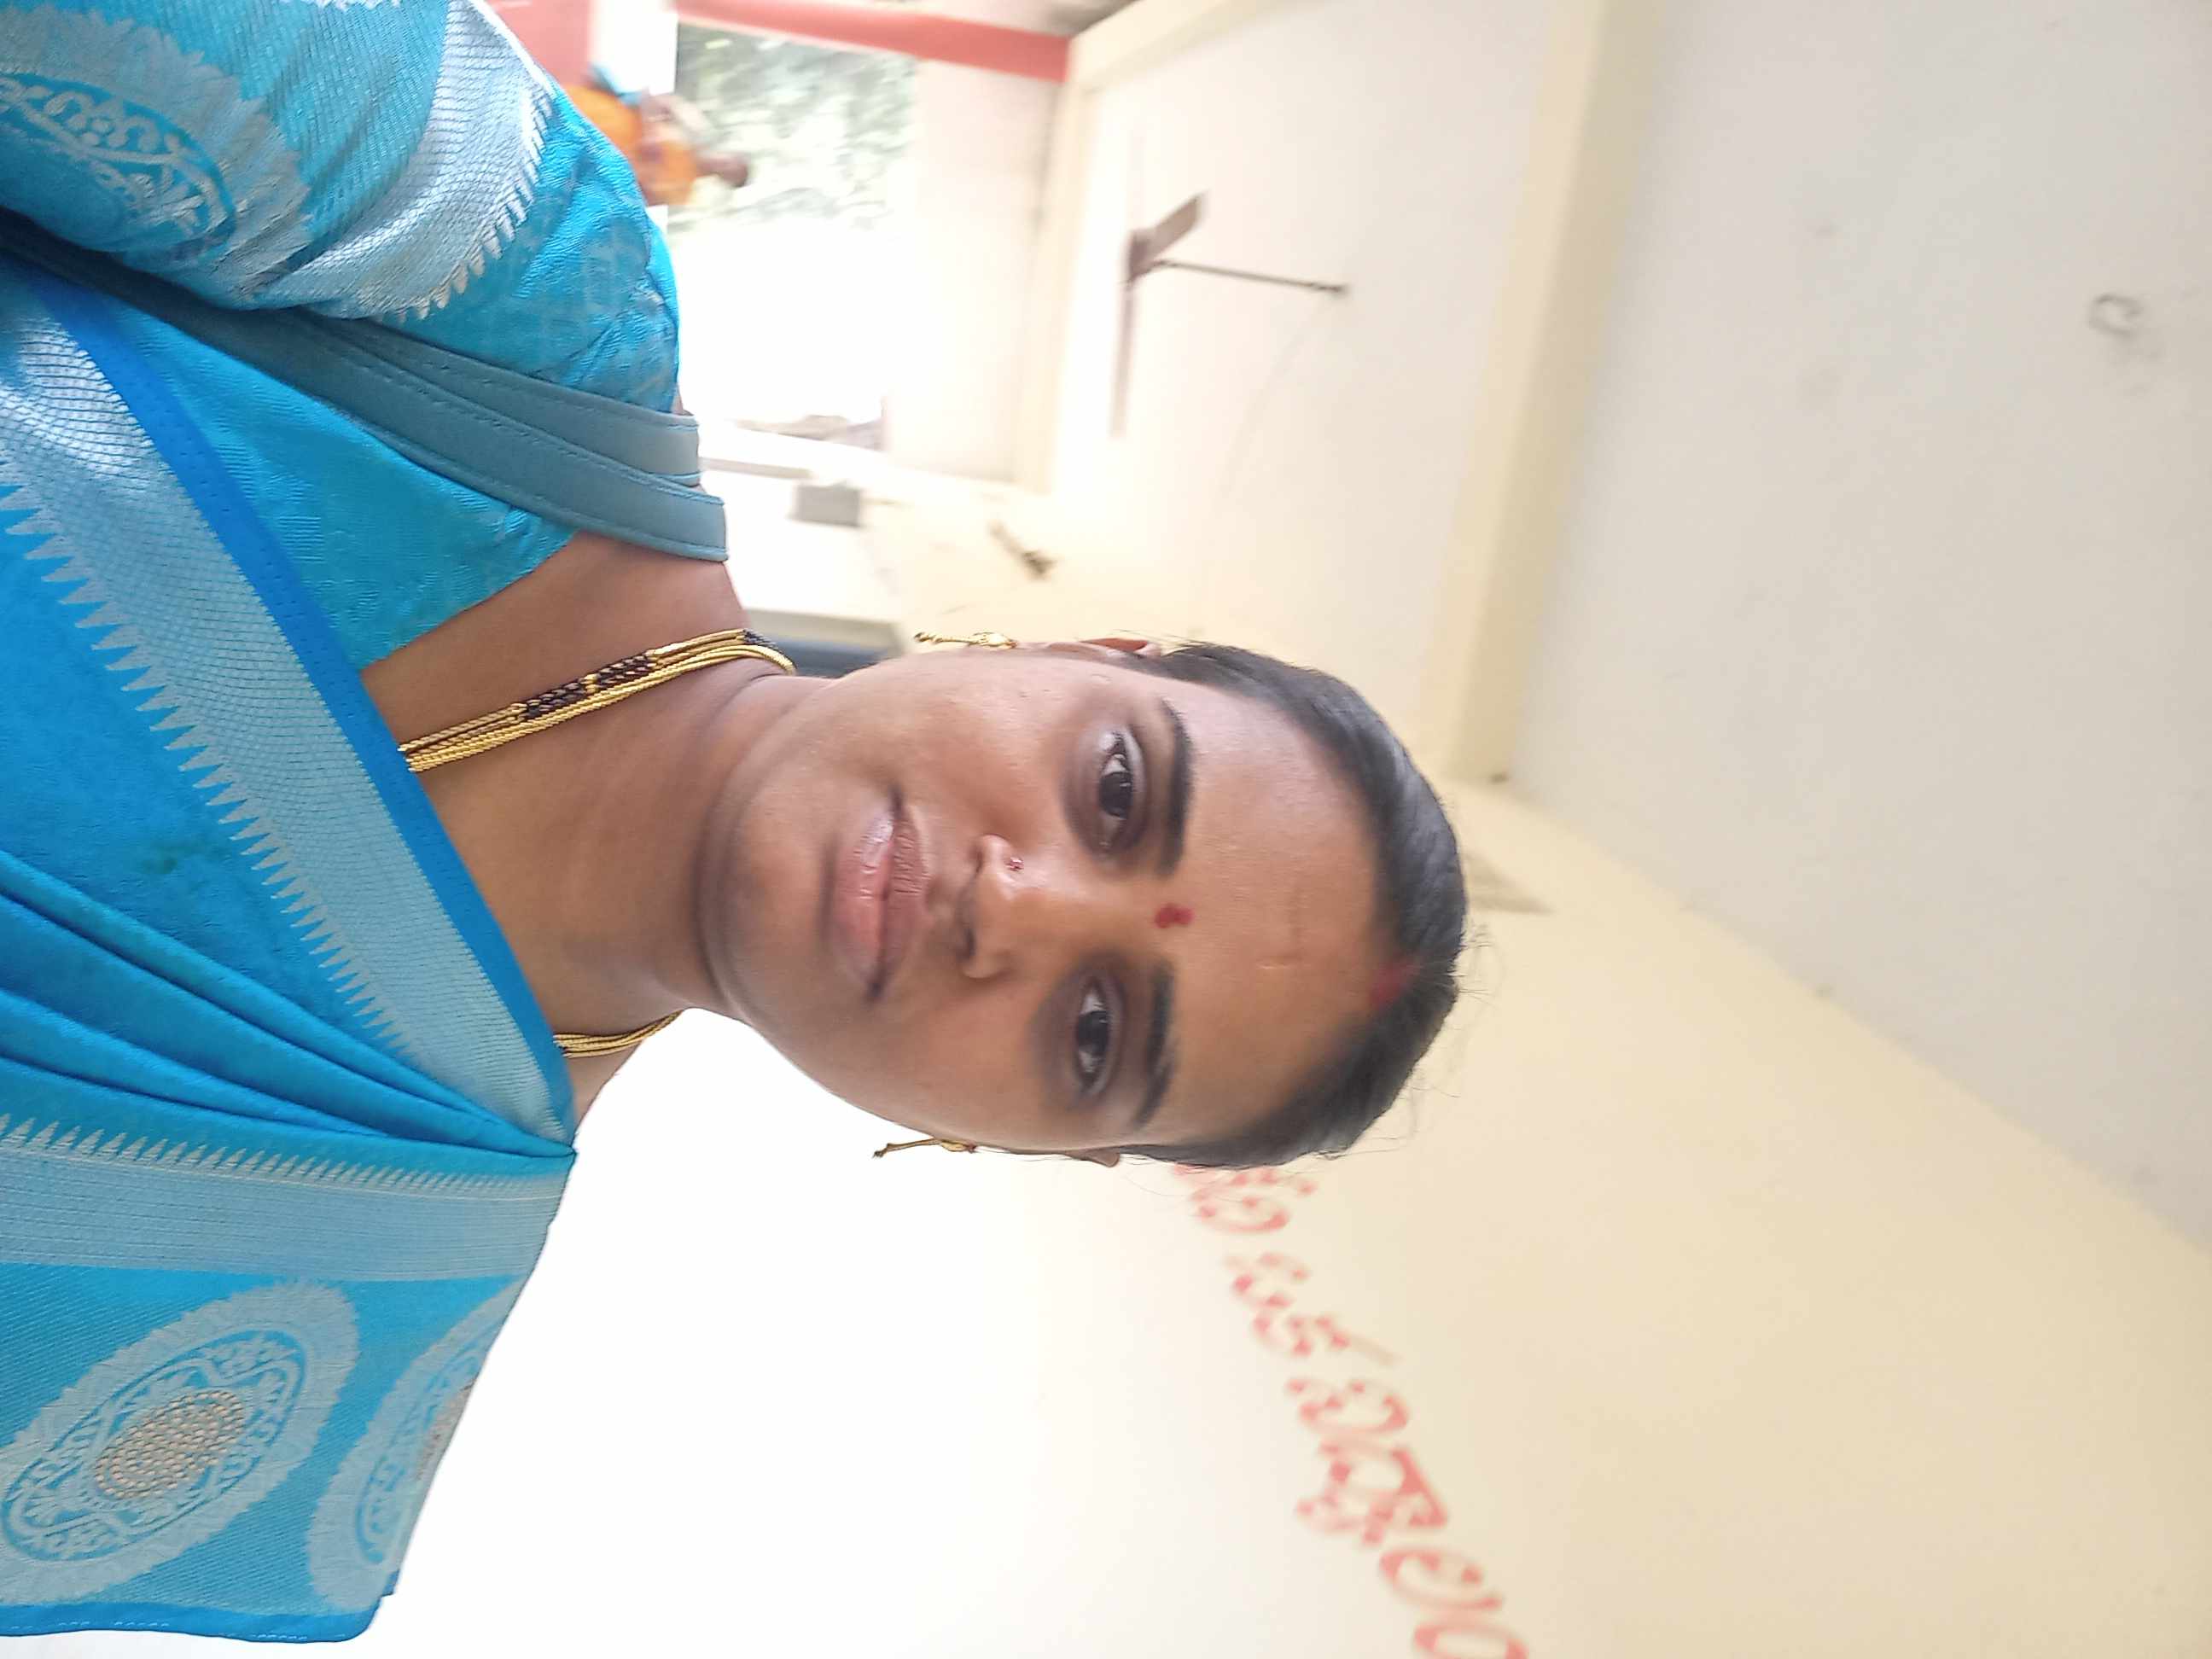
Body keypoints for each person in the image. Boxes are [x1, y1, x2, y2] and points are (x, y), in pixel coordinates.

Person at [0, 0, 1466, 1640]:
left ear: (1021, 1143)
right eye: (1118, 792)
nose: (1019, 909)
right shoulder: (506, 282)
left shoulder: (320, 1344)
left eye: (1095, 1031)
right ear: (1081, 651)